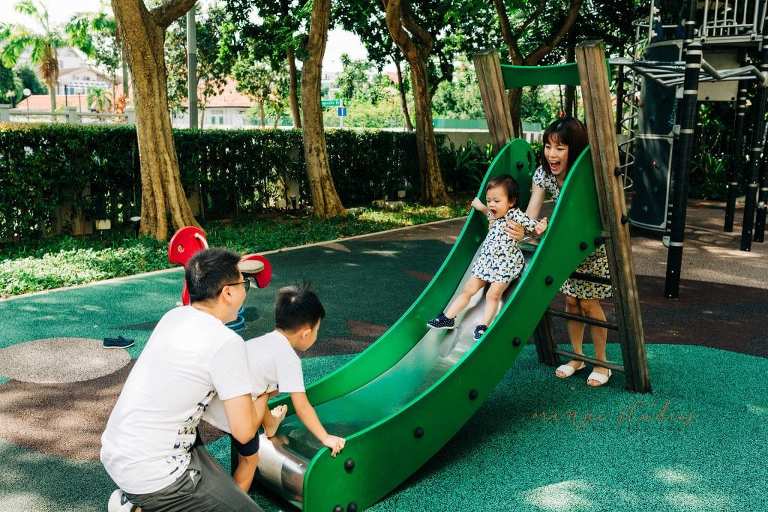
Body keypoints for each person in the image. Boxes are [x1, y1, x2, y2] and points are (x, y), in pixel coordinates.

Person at [101, 248, 265, 512]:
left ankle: (136, 504)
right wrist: (266, 391)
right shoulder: (226, 343)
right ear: (228, 292)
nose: (247, 289)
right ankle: (139, 505)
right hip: (156, 475)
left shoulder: (174, 317)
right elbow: (244, 430)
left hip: (116, 451)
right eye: (245, 283)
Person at [202, 283, 346, 493]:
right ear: (306, 333)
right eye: (317, 330)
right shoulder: (289, 359)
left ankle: (270, 425)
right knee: (250, 460)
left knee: (265, 386)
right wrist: (325, 437)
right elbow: (302, 406)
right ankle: (236, 502)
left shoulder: (264, 341)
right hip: (235, 414)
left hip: (216, 400)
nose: (316, 335)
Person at [507, 116, 613, 387]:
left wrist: (548, 227)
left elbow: (588, 215)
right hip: (564, 243)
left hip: (589, 243)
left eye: (560, 148)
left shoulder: (587, 174)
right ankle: (577, 358)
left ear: (573, 150)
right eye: (547, 146)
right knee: (571, 302)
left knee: (589, 303)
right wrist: (524, 230)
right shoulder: (544, 174)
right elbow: (532, 212)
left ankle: (602, 363)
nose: (551, 154)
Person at [427, 175, 547, 341]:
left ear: (511, 202)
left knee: (492, 294)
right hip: (487, 261)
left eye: (496, 201)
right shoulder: (494, 214)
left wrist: (541, 226)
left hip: (507, 263)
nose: (492, 204)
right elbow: (488, 212)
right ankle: (448, 317)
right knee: (468, 289)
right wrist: (481, 206)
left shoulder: (515, 215)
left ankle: (483, 326)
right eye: (489, 200)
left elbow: (532, 225)